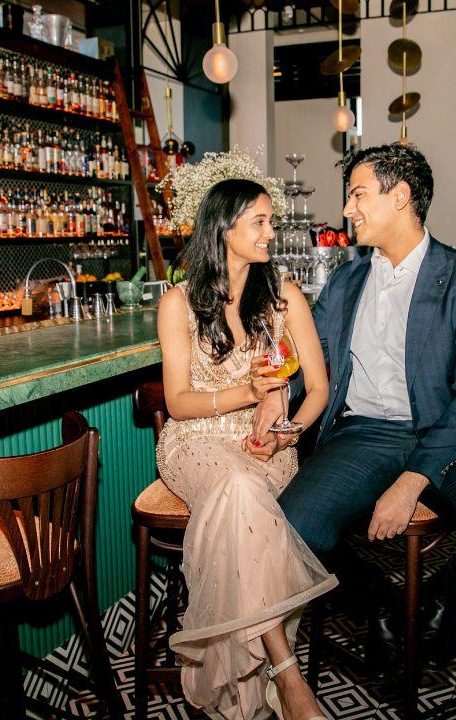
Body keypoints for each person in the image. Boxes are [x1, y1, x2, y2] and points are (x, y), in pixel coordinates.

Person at [264, 143, 456, 676]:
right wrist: (278, 393)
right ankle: (384, 607)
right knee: (292, 529)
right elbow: (314, 364)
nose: (347, 210)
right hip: (364, 435)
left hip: (453, 437)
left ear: (400, 197)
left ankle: (440, 599)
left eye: (357, 194)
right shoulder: (345, 282)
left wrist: (414, 477)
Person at [155, 178, 337, 720]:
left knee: (243, 498)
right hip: (196, 441)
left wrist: (288, 431)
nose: (271, 231)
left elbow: (320, 389)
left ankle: (251, 682)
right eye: (259, 221)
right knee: (237, 489)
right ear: (223, 228)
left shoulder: (285, 299)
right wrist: (248, 392)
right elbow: (178, 402)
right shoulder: (178, 303)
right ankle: (286, 671)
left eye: (270, 221)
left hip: (269, 446)